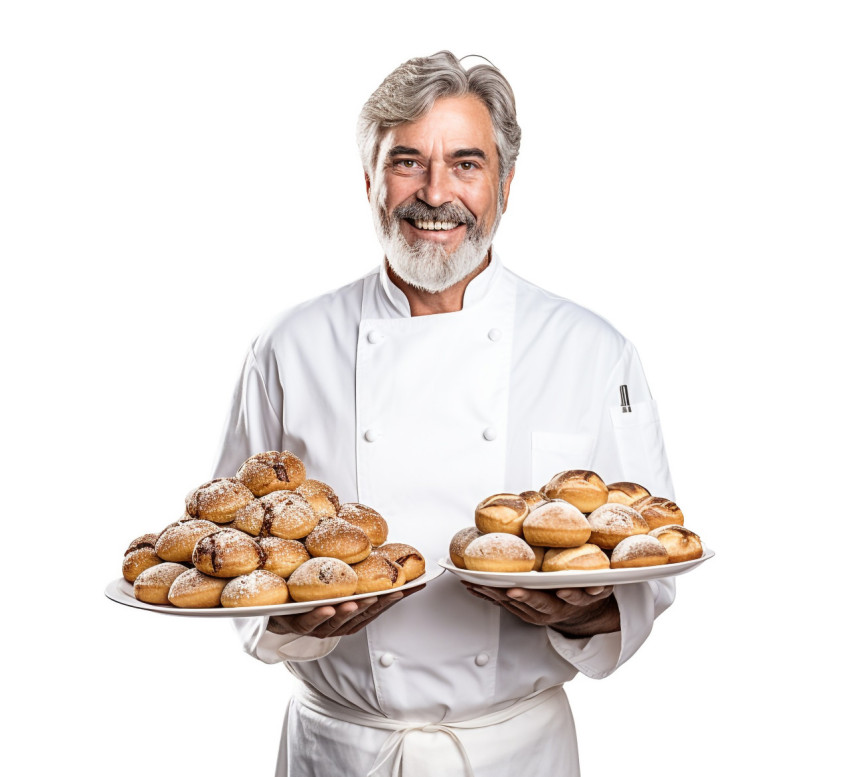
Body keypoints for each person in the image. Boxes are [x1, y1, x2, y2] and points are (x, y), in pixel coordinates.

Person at [212, 51, 676, 777]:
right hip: (339, 750)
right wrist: (291, 620)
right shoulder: (288, 347)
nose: (436, 193)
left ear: (506, 184)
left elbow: (653, 563)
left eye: (466, 164)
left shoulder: (592, 349)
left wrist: (580, 610)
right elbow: (230, 554)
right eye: (407, 162)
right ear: (368, 180)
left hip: (515, 752)